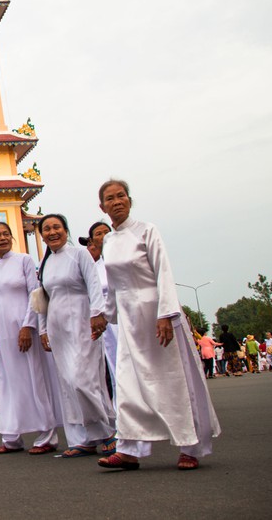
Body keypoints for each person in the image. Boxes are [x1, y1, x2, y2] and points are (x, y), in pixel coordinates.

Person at [94, 179, 220, 471]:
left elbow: (163, 272)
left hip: (154, 313)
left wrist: (166, 314)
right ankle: (129, 449)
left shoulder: (147, 231)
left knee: (171, 380)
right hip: (127, 321)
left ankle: (189, 446)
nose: (116, 202)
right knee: (128, 383)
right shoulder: (109, 241)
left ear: (129, 199)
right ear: (102, 207)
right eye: (110, 199)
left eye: (121, 196)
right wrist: (105, 316)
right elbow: (114, 286)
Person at [36, 213, 117, 458]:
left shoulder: (79, 254)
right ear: (41, 235)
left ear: (66, 230)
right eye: (47, 229)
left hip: (83, 324)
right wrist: (42, 329)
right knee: (69, 382)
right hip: (58, 327)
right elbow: (42, 298)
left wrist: (98, 314)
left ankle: (108, 432)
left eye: (57, 227)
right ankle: (83, 438)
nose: (52, 232)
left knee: (86, 380)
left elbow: (93, 285)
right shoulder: (45, 263)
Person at [0, 222, 60, 455]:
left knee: (34, 378)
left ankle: (47, 435)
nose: (2, 238)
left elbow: (35, 294)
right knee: (8, 381)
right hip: (2, 332)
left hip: (24, 330)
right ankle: (12, 436)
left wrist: (28, 326)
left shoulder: (24, 260)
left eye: (6, 234)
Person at [80, 221, 119, 396]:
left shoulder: (122, 259)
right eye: (98, 234)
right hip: (105, 321)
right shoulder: (92, 268)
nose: (103, 237)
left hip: (126, 315)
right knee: (112, 365)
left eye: (106, 232)